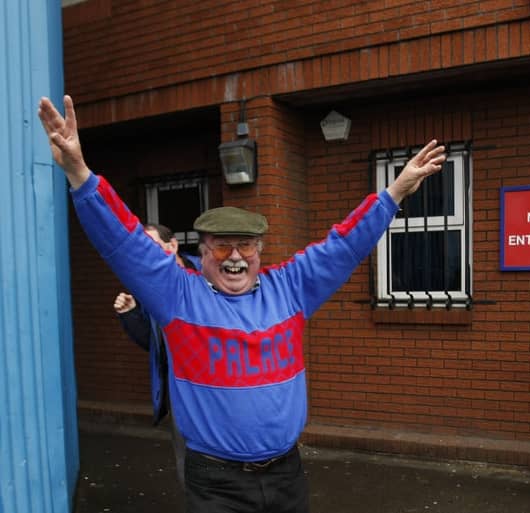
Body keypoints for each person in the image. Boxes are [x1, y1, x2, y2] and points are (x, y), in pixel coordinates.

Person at [40, 95, 446, 513]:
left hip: (287, 475)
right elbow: (124, 241)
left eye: (246, 245)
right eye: (222, 246)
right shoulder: (177, 293)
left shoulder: (290, 287)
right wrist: (79, 173)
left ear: (259, 249)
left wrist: (394, 193)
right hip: (216, 484)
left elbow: (342, 246)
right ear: (203, 249)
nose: (235, 256)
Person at [113, 223, 199, 486]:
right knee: (187, 458)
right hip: (178, 387)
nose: (146, 255)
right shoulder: (148, 287)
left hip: (218, 382)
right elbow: (151, 343)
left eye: (152, 246)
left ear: (172, 245)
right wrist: (129, 314)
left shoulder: (206, 274)